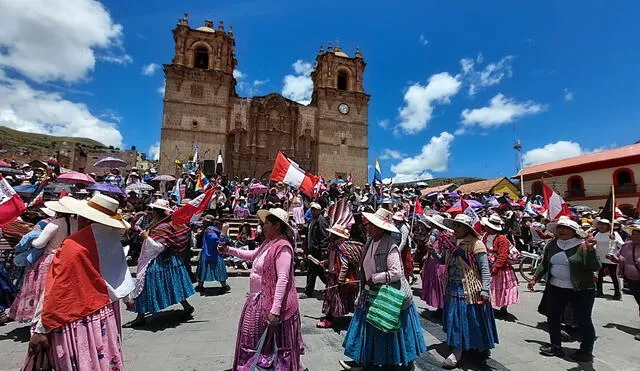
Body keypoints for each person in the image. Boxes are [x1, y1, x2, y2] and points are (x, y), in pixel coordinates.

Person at [26, 193, 135, 370]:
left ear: (83, 218)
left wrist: (41, 328)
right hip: (104, 314)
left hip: (76, 317)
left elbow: (57, 288)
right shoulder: (112, 242)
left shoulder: (74, 246)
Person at [219, 208, 306, 371]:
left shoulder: (283, 248)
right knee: (254, 341)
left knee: (271, 346)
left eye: (266, 224)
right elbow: (253, 256)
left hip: (272, 304)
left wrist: (275, 310)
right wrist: (229, 250)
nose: (262, 227)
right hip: (258, 300)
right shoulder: (268, 243)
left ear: (277, 225)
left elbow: (282, 279)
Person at [341, 208, 426, 370]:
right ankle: (364, 360)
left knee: (388, 329)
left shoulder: (390, 245)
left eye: (373, 225)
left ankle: (398, 362)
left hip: (388, 293)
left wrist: (376, 278)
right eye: (370, 224)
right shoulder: (370, 242)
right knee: (368, 327)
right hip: (371, 291)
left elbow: (396, 273)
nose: (369, 227)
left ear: (382, 228)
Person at [528, 216, 601, 362]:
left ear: (574, 231)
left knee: (583, 319)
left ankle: (586, 350)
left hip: (581, 290)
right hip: (556, 287)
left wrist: (591, 250)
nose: (561, 230)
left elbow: (595, 267)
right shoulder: (552, 244)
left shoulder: (584, 245)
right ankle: (556, 346)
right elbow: (545, 263)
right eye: (559, 228)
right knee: (553, 317)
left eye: (565, 228)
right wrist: (535, 278)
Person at [439, 214, 498, 369]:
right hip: (452, 287)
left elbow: (485, 269)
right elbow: (443, 260)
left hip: (470, 288)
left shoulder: (476, 244)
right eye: (455, 225)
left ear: (467, 228)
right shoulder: (451, 242)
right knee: (455, 320)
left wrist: (485, 289)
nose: (455, 228)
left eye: (459, 226)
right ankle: (459, 346)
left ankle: (459, 350)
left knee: (469, 320)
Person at [125, 199, 195, 328]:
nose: (151, 213)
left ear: (157, 212)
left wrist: (147, 238)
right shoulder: (165, 224)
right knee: (173, 285)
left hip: (159, 260)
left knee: (144, 286)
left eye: (153, 210)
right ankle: (187, 306)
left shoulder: (162, 227)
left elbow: (160, 247)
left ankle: (140, 316)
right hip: (170, 262)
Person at [9, 201, 75, 322]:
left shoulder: (54, 224)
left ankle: (39, 317)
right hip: (66, 256)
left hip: (50, 257)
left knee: (40, 288)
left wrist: (32, 240)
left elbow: (39, 244)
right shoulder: (73, 223)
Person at [316, 223, 363, 329]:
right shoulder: (334, 247)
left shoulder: (341, 248)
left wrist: (341, 279)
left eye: (332, 234)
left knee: (334, 299)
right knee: (336, 299)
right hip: (333, 276)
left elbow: (344, 265)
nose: (330, 236)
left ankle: (329, 320)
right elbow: (333, 260)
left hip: (338, 278)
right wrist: (325, 262)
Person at [481, 214, 520, 314]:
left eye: (487, 226)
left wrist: (496, 267)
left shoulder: (502, 239)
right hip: (488, 265)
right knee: (489, 287)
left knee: (503, 288)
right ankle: (487, 305)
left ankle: (503, 309)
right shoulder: (485, 236)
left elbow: (503, 255)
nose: (485, 227)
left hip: (501, 268)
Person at [607, 223, 640, 340]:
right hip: (631, 280)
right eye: (634, 234)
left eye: (638, 234)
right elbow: (621, 259)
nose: (635, 236)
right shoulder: (627, 245)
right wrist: (612, 257)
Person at [419, 214, 453, 314]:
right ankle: (440, 307)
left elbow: (433, 248)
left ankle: (441, 308)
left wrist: (431, 251)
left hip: (437, 263)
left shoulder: (437, 234)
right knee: (438, 287)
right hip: (436, 261)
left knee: (438, 287)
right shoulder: (444, 234)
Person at [195, 215, 230, 293]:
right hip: (215, 252)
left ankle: (200, 285)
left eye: (203, 222)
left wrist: (218, 242)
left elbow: (214, 238)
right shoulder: (214, 229)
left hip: (209, 252)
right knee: (218, 269)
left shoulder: (209, 230)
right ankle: (224, 285)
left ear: (207, 222)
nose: (202, 223)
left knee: (204, 269)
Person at [302, 202, 329, 299]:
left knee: (312, 271)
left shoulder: (321, 221)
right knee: (318, 272)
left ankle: (308, 291)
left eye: (315, 209)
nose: (313, 211)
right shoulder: (312, 220)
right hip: (312, 249)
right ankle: (330, 287)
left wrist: (323, 250)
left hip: (317, 250)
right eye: (312, 209)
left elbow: (324, 236)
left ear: (319, 211)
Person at [594, 219, 624, 299]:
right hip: (599, 257)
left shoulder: (614, 233)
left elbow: (622, 245)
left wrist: (614, 239)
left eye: (604, 224)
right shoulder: (596, 233)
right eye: (600, 224)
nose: (601, 226)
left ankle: (617, 293)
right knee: (599, 275)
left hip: (611, 258)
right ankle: (599, 291)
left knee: (614, 276)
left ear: (608, 226)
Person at [392, 212, 414, 282]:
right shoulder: (397, 226)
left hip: (404, 250)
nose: (394, 221)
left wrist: (398, 251)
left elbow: (403, 242)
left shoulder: (404, 228)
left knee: (404, 267)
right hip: (398, 247)